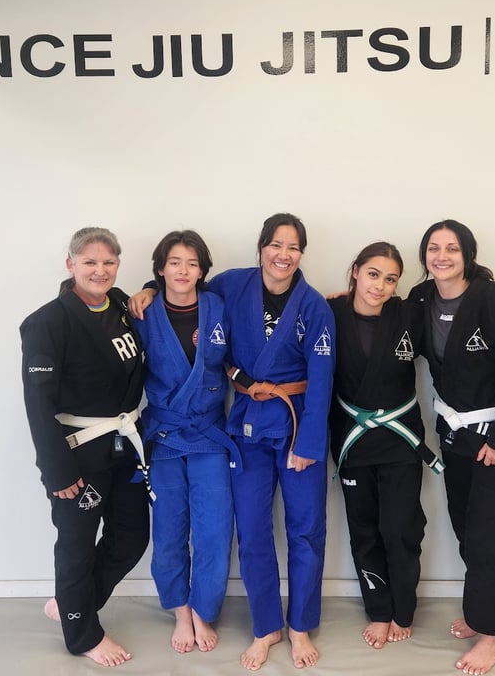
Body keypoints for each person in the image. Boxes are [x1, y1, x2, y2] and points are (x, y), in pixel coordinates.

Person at [131, 213, 336, 671]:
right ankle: (267, 627)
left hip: (297, 424)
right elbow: (184, 287)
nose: (283, 255)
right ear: (261, 247)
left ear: (302, 254)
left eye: (293, 247)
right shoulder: (232, 285)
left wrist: (309, 444)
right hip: (245, 424)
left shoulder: (315, 306)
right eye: (275, 245)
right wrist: (147, 288)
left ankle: (300, 625)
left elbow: (323, 377)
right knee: (252, 529)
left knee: (306, 529)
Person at [408, 219, 495, 676]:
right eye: (433, 248)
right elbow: (390, 325)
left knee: (490, 536)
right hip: (456, 437)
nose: (441, 256)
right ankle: (479, 609)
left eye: (451, 248)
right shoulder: (421, 300)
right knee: (467, 529)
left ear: (468, 254)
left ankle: (492, 633)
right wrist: (345, 303)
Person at [20, 227, 150, 668]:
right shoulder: (47, 323)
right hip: (78, 452)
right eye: (90, 262)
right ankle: (82, 635)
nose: (100, 270)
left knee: (131, 537)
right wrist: (56, 471)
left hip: (125, 444)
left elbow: (148, 300)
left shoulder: (121, 306)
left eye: (109, 262)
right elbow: (38, 405)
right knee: (76, 544)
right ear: (70, 264)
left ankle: (73, 601)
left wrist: (151, 289)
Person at [327, 241, 444, 650]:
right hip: (353, 440)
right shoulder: (331, 313)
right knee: (364, 531)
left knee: (400, 529)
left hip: (400, 441)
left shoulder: (409, 314)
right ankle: (378, 609)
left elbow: (448, 307)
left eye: (390, 279)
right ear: (355, 271)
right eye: (373, 274)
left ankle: (403, 609)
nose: (380, 286)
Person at [129, 230, 236, 654]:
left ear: (203, 271)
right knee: (169, 529)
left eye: (192, 263)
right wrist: (147, 290)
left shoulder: (218, 307)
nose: (183, 270)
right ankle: (179, 609)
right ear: (160, 268)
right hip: (165, 434)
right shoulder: (142, 312)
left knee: (214, 529)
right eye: (174, 262)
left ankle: (202, 609)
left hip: (209, 433)